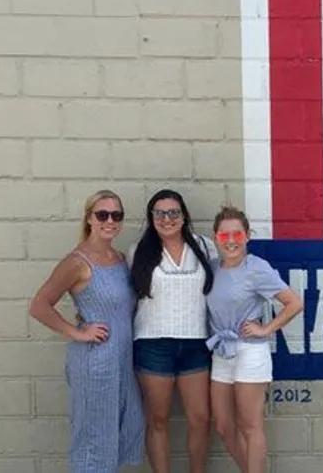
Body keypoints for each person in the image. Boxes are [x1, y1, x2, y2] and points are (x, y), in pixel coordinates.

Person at [29, 189, 145, 473]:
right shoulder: (77, 262)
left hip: (122, 362)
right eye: (102, 214)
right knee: (94, 440)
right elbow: (39, 305)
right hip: (96, 364)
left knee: (121, 431)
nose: (110, 220)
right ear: (89, 218)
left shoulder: (118, 258)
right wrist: (77, 332)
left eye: (116, 215)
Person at [206, 204, 304, 473]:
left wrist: (266, 328)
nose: (231, 241)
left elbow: (294, 303)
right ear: (216, 238)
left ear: (247, 236)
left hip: (249, 352)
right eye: (225, 236)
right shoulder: (212, 268)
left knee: (250, 427)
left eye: (237, 235)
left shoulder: (257, 268)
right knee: (224, 426)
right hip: (221, 352)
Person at [128, 189, 216, 473]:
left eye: (173, 212)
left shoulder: (205, 247)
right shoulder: (137, 252)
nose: (167, 219)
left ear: (184, 216)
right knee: (158, 419)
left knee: (200, 418)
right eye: (159, 213)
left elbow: (226, 285)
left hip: (196, 343)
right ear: (151, 218)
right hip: (153, 344)